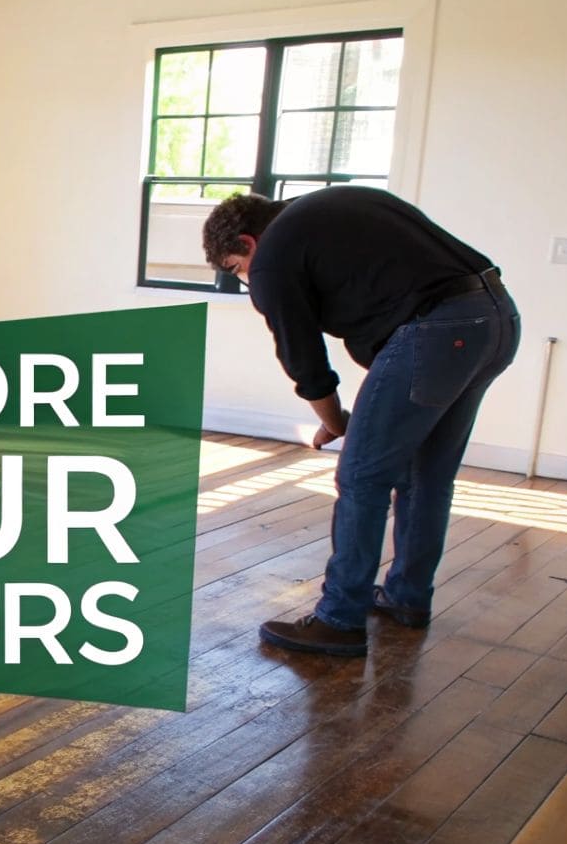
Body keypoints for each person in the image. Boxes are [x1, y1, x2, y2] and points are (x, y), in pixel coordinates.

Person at [202, 186, 520, 657]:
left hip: (440, 331)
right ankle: (407, 597)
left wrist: (334, 422)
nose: (248, 280)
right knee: (427, 476)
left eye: (237, 269)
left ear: (248, 243)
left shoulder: (272, 256)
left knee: (361, 477)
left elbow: (304, 358)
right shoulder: (331, 209)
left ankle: (339, 619)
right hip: (496, 319)